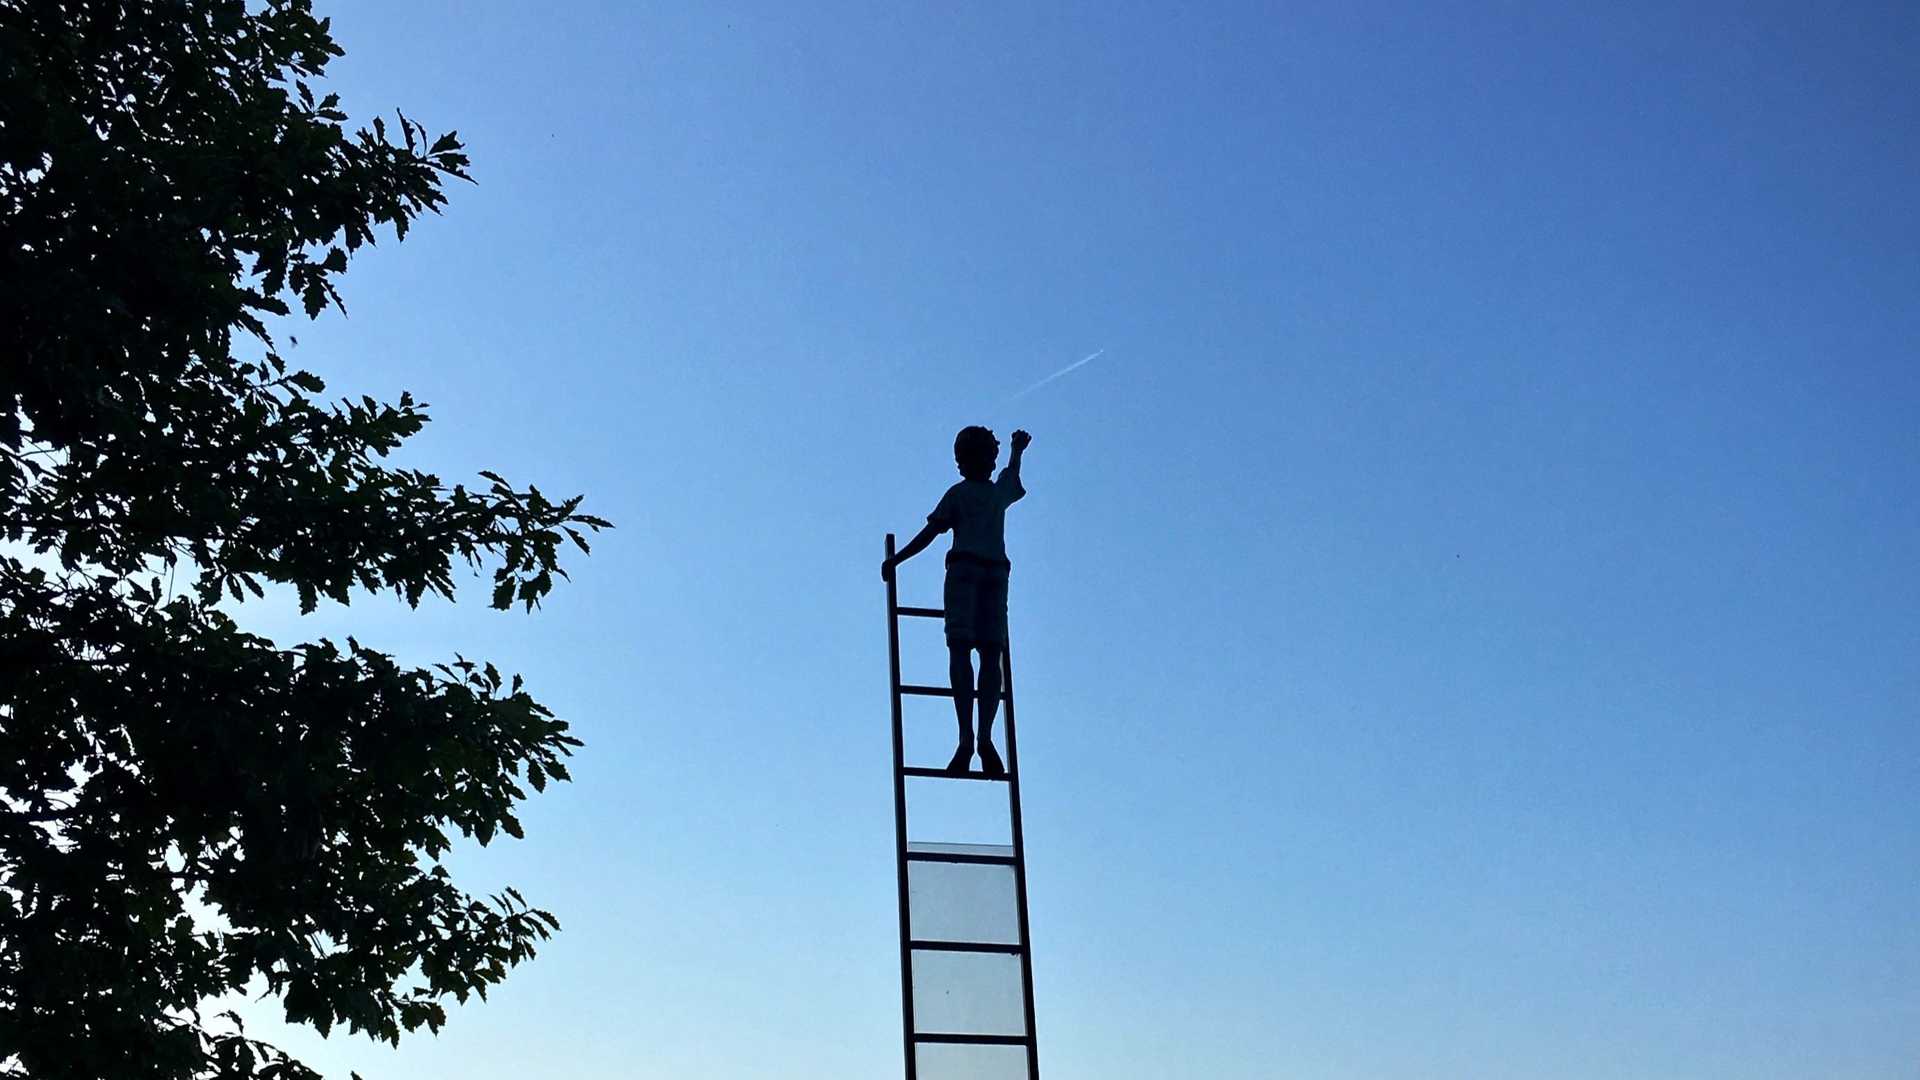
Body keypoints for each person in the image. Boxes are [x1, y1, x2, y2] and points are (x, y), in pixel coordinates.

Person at [882, 426, 1031, 775]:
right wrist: (898, 560)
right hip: (981, 573)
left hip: (981, 573)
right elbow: (933, 531)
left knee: (983, 655)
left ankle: (978, 739)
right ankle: (972, 739)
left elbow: (932, 531)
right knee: (973, 654)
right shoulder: (972, 494)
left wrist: (1016, 451)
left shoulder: (978, 494)